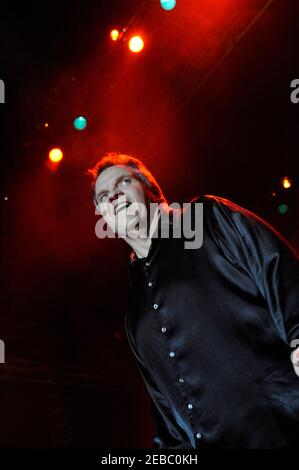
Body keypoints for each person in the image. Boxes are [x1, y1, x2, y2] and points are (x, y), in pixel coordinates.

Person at [87, 152, 299, 449]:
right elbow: (164, 406)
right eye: (104, 196)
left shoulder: (207, 218)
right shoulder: (133, 307)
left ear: (153, 190)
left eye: (124, 182)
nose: (114, 196)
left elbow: (276, 266)